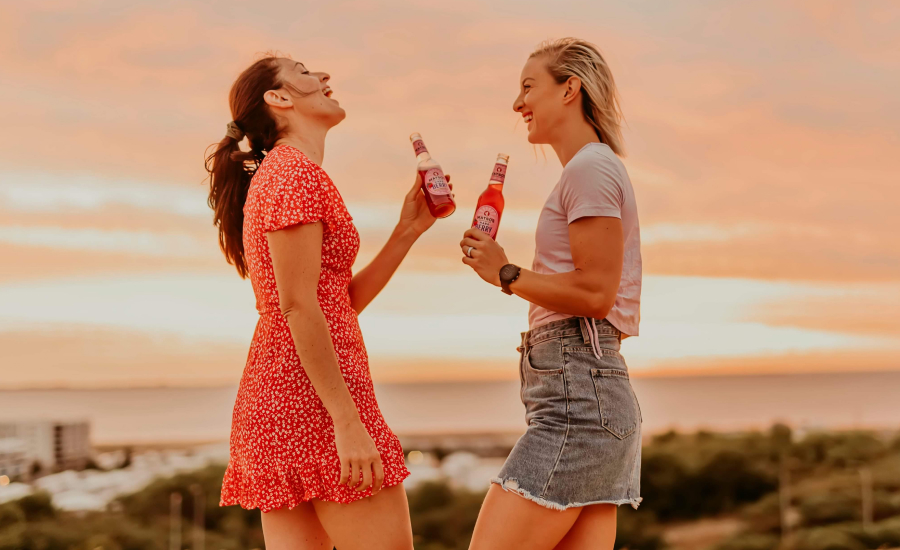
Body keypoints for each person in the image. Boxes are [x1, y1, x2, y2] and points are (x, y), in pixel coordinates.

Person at [206, 55, 446, 550]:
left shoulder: (279, 174)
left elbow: (332, 303)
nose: (324, 77)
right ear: (280, 98)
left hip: (281, 396)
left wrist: (407, 231)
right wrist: (346, 419)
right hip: (312, 401)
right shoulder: (294, 175)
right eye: (304, 69)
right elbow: (298, 308)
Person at [460, 38, 643, 550]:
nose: (518, 104)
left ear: (570, 89)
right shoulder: (588, 170)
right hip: (590, 391)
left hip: (577, 399)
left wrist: (506, 272)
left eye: (527, 87)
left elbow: (595, 292)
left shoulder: (589, 169)